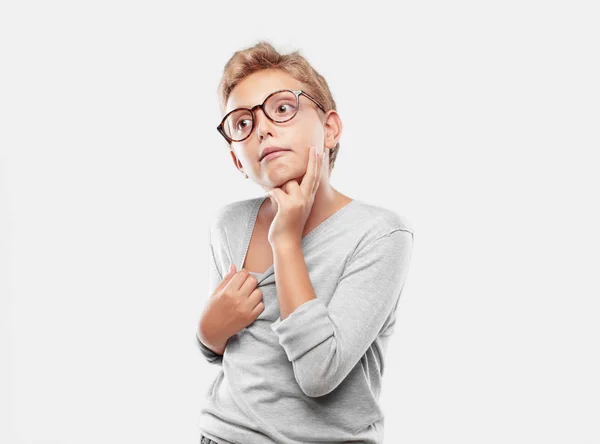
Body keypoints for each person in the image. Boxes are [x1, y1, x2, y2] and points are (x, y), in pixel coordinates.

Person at [196, 41, 414, 444]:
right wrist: (208, 333)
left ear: (329, 129)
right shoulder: (228, 225)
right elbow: (228, 348)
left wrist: (286, 241)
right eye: (243, 123)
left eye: (282, 108)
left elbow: (319, 374)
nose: (262, 128)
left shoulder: (380, 233)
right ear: (236, 160)